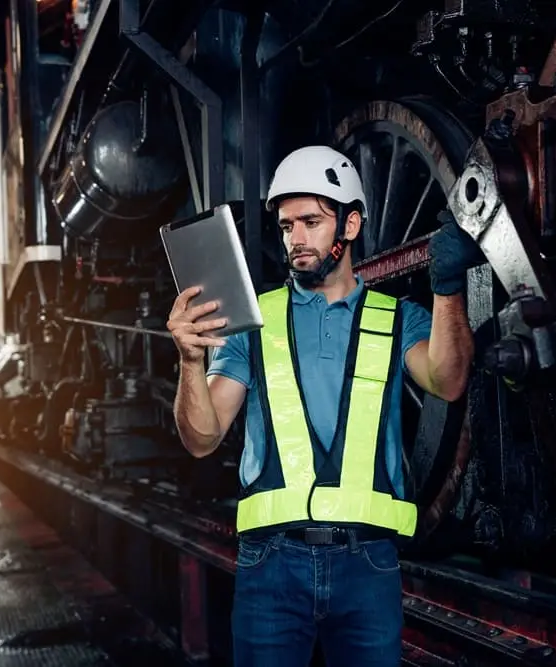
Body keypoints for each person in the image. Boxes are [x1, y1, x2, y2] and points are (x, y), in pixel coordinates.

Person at [167, 145, 480, 667]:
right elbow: (201, 438)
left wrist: (447, 289)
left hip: (367, 567)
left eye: (311, 221)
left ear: (351, 225)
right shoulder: (253, 323)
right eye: (287, 226)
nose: (296, 239)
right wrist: (190, 361)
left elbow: (447, 382)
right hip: (269, 565)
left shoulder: (396, 316)